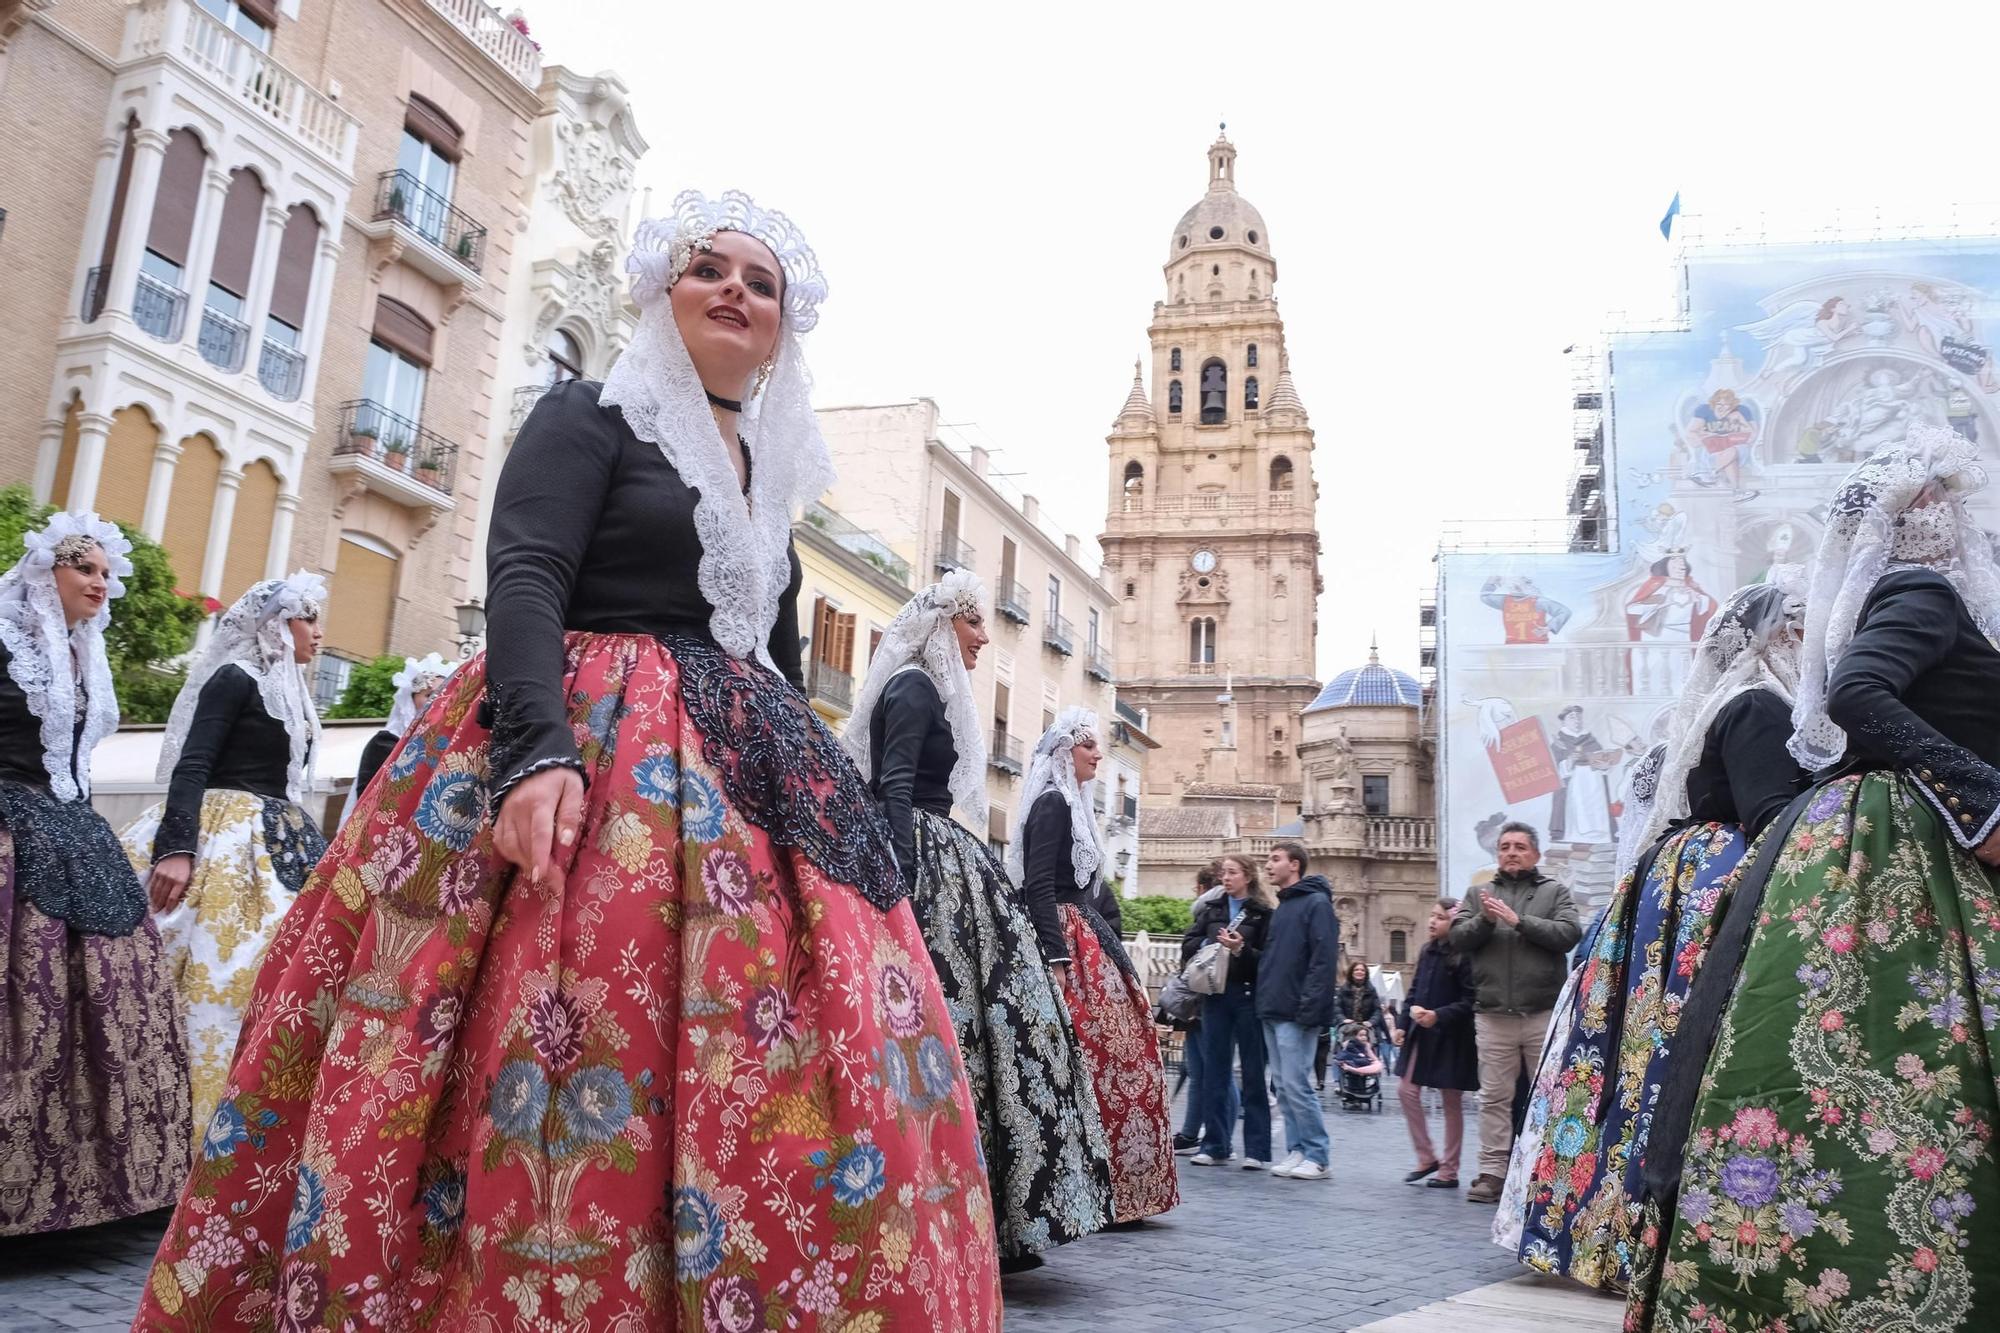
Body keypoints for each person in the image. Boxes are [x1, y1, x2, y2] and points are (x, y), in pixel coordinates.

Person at [128, 190, 1002, 1330]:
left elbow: (769, 650)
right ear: (660, 291)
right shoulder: (589, 413)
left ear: (787, 326)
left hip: (738, 768)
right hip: (591, 737)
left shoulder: (768, 472)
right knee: (556, 1023)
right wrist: (538, 752)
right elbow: (527, 574)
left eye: (761, 281)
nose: (734, 288)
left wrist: (815, 807)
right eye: (707, 267)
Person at [1629, 426, 2000, 1331]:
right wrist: (1984, 799)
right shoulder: (1923, 591)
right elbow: (1857, 698)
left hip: (1878, 848)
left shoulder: (1888, 601)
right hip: (1905, 855)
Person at [1513, 581, 1808, 1289]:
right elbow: (1771, 816)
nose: (1809, 643)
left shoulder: (1730, 704)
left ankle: (1610, 1229)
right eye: (1798, 629)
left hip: (1680, 888)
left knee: (1648, 1059)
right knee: (1679, 1056)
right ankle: (1644, 1237)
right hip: (1714, 889)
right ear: (1775, 638)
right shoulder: (1762, 707)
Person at [846, 570, 1111, 1272]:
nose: (984, 637)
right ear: (942, 625)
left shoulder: (930, 690)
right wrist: (900, 883)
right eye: (972, 622)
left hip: (944, 859)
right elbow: (894, 785)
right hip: (922, 861)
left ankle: (1000, 1209)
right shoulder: (911, 688)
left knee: (1008, 1031)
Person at [0, 513, 187, 1236]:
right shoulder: (8, 644)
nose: (100, 582)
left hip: (73, 825)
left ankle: (102, 1186)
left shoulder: (84, 657)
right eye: (85, 568)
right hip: (13, 825)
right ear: (46, 574)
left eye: (107, 572)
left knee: (115, 991)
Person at [118, 569, 327, 1141]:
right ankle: (176, 1128)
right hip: (226, 839)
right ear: (277, 625)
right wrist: (178, 848)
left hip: (284, 838)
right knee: (212, 973)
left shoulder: (295, 696)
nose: (316, 632)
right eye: (307, 618)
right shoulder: (233, 679)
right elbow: (193, 764)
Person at [1015, 707, 1179, 1225]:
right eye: (1088, 745)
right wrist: (1056, 955)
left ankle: (1123, 1186)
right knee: (1099, 1059)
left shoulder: (1074, 805)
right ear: (1065, 751)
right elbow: (1038, 883)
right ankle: (1102, 1186)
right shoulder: (1052, 805)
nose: (1098, 753)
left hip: (1087, 935)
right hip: (1066, 940)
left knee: (1124, 1055)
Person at [1451, 822, 1580, 1205]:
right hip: (1492, 1016)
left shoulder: (1554, 891)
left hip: (1541, 1014)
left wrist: (1517, 920)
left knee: (1547, 1096)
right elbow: (1457, 939)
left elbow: (1569, 933)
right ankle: (1492, 1173)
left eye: (1520, 846)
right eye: (1505, 846)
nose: (1511, 852)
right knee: (1493, 1099)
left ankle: (1546, 1171)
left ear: (1535, 854)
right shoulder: (1479, 894)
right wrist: (1485, 920)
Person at [1182, 852, 1273, 1168]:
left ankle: (1258, 1151)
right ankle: (1215, 1144)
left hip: (1248, 996)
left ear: (1247, 876)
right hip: (1216, 996)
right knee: (1215, 1073)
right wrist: (1210, 949)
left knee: (1252, 1073)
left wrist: (1240, 949)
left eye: (1232, 872)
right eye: (1223, 873)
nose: (1225, 877)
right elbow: (1188, 945)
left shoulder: (1262, 914)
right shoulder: (1211, 910)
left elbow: (1268, 961)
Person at [1256, 840, 1338, 1181]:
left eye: (1275, 859)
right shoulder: (1284, 906)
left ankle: (1317, 1154)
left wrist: (1310, 1008)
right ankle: (1297, 1149)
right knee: (1283, 1086)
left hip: (1296, 1011)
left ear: (1295, 865)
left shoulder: (1316, 903)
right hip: (1274, 1008)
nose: (1269, 865)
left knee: (1297, 1084)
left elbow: (1323, 960)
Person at [1398, 899, 1478, 1191]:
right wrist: (1401, 1026)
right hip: (1422, 1032)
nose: (1432, 921)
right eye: (1431, 916)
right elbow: (1415, 991)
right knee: (1405, 1089)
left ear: (1454, 923)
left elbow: (1471, 1001)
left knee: (1451, 1102)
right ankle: (1426, 1156)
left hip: (1452, 1036)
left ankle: (1449, 1169)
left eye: (1440, 917)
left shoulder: (1464, 956)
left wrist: (1438, 1016)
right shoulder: (1426, 950)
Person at [1173, 862, 1241, 1155]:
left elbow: (1192, 948)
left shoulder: (1212, 910)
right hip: (1198, 998)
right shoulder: (1213, 911)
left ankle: (1218, 1137)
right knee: (1200, 1070)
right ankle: (1195, 1132)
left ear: (1202, 888)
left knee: (1214, 1072)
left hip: (1204, 997)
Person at [348, 652, 453, 804]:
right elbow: (368, 798)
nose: (437, 701)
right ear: (410, 702)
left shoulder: (446, 745)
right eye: (429, 695)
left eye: (443, 696)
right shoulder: (384, 743)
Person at [1332, 958, 1381, 1092]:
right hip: (1348, 1028)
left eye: (1362, 970)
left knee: (1368, 1049)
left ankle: (1368, 1074)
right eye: (1357, 969)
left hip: (1365, 1027)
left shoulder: (1371, 990)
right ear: (1352, 972)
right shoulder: (1343, 989)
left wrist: (1371, 1022)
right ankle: (1340, 1080)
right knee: (1343, 1049)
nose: (1359, 972)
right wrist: (1343, 1019)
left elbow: (1377, 1010)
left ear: (1366, 973)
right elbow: (1337, 1007)